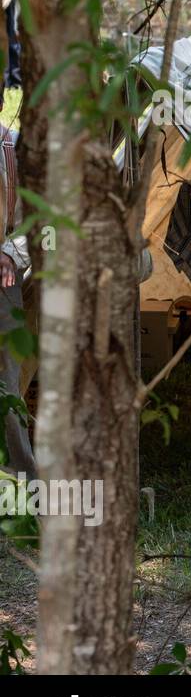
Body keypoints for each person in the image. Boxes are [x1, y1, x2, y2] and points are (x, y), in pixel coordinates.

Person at [0, 124, 34, 477]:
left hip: (2, 279)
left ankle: (22, 474)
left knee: (8, 382)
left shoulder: (14, 147)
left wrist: (11, 254)